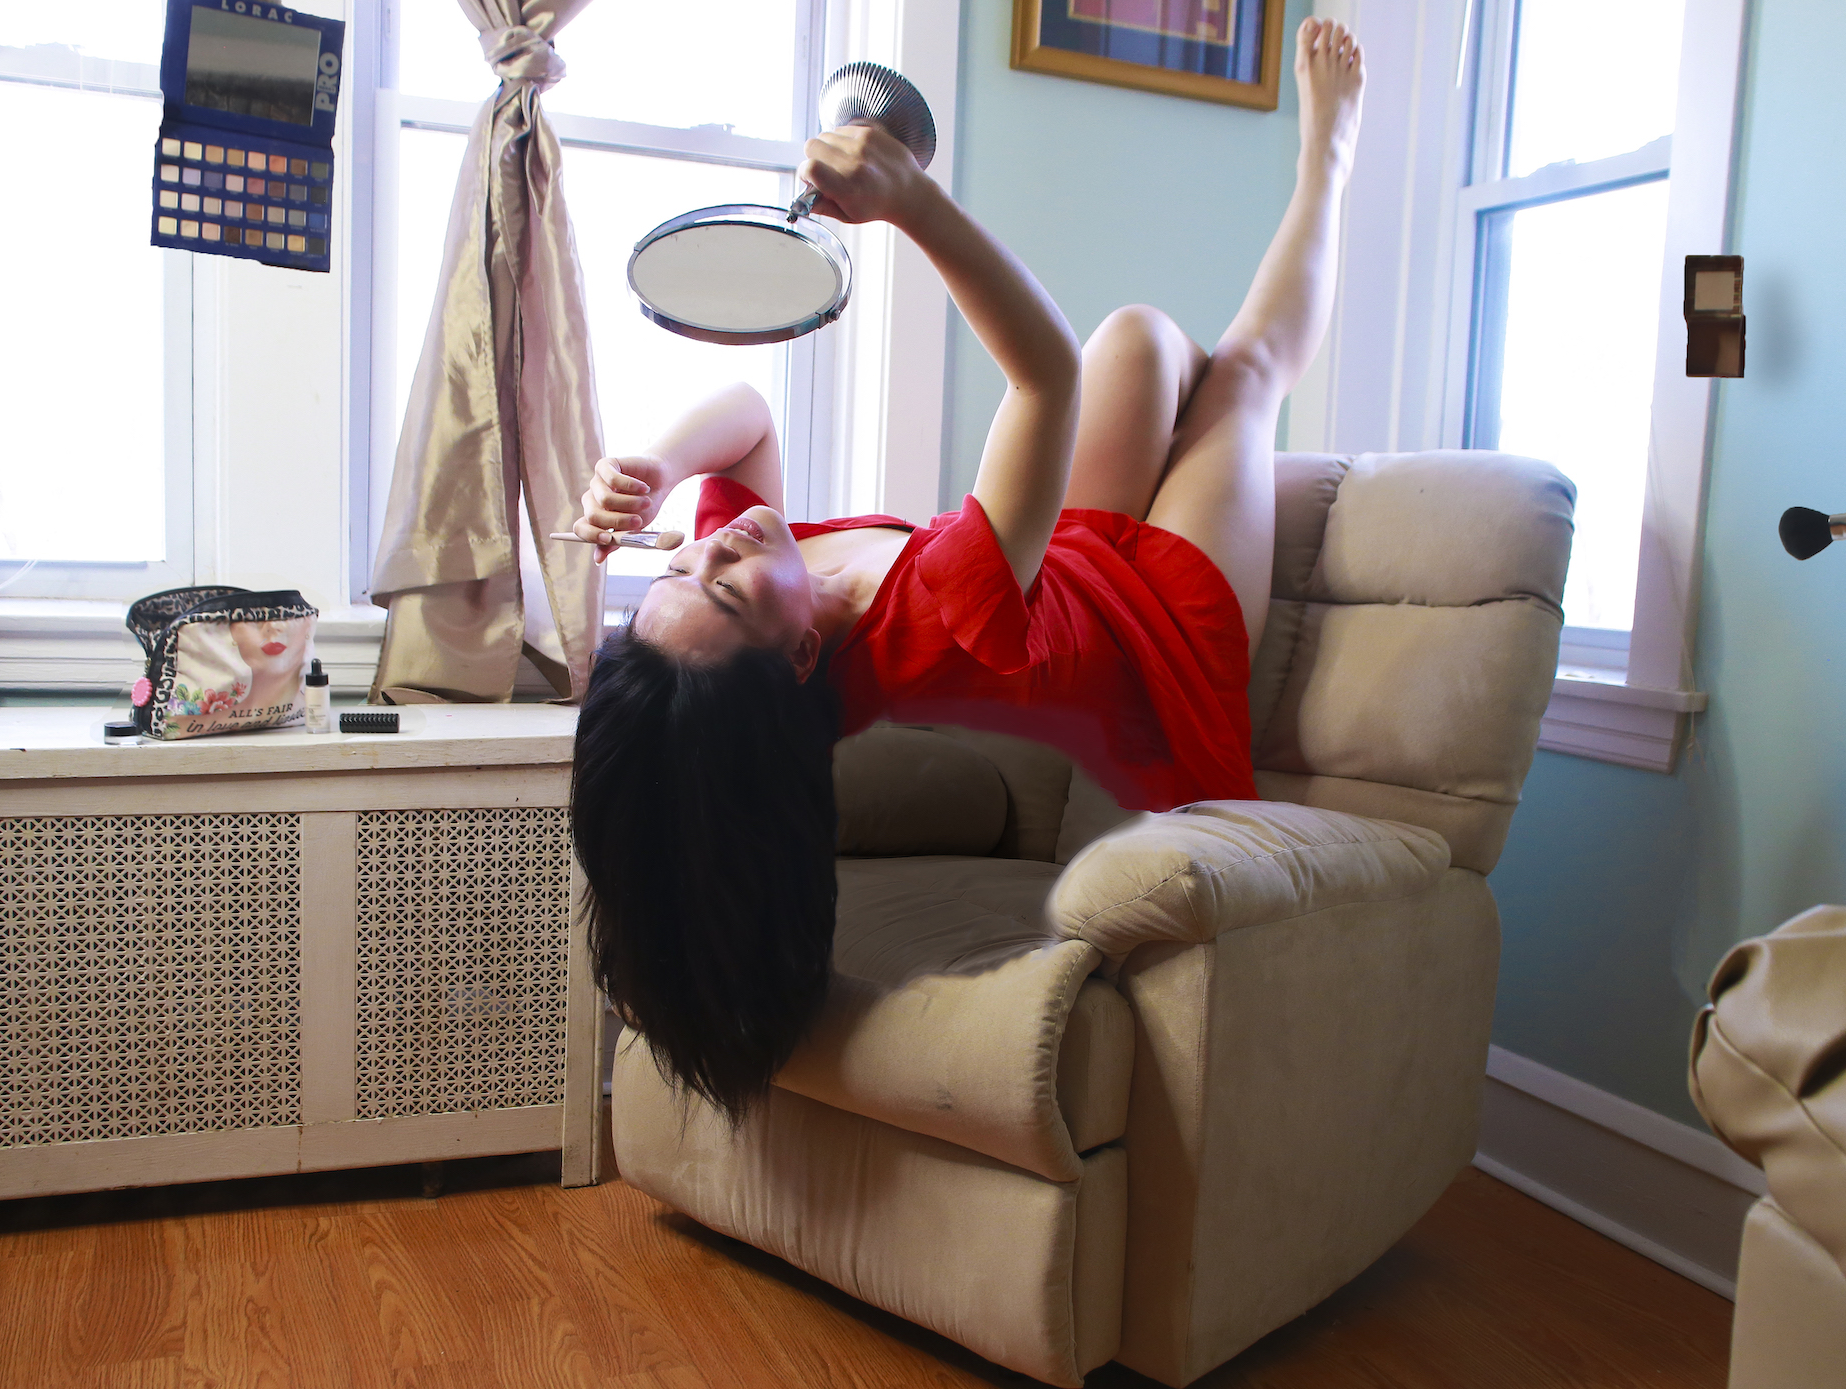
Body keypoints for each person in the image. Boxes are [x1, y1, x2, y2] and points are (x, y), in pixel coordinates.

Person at [571, 18, 1366, 1117]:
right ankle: (1330, 156)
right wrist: (914, 205)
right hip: (1159, 627)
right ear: (798, 655)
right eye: (723, 587)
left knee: (1139, 338)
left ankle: (1181, 396)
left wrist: (655, 466)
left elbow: (747, 411)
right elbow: (1045, 378)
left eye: (675, 568)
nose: (714, 544)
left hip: (1062, 563)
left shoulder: (765, 571)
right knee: (1244, 378)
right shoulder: (934, 618)